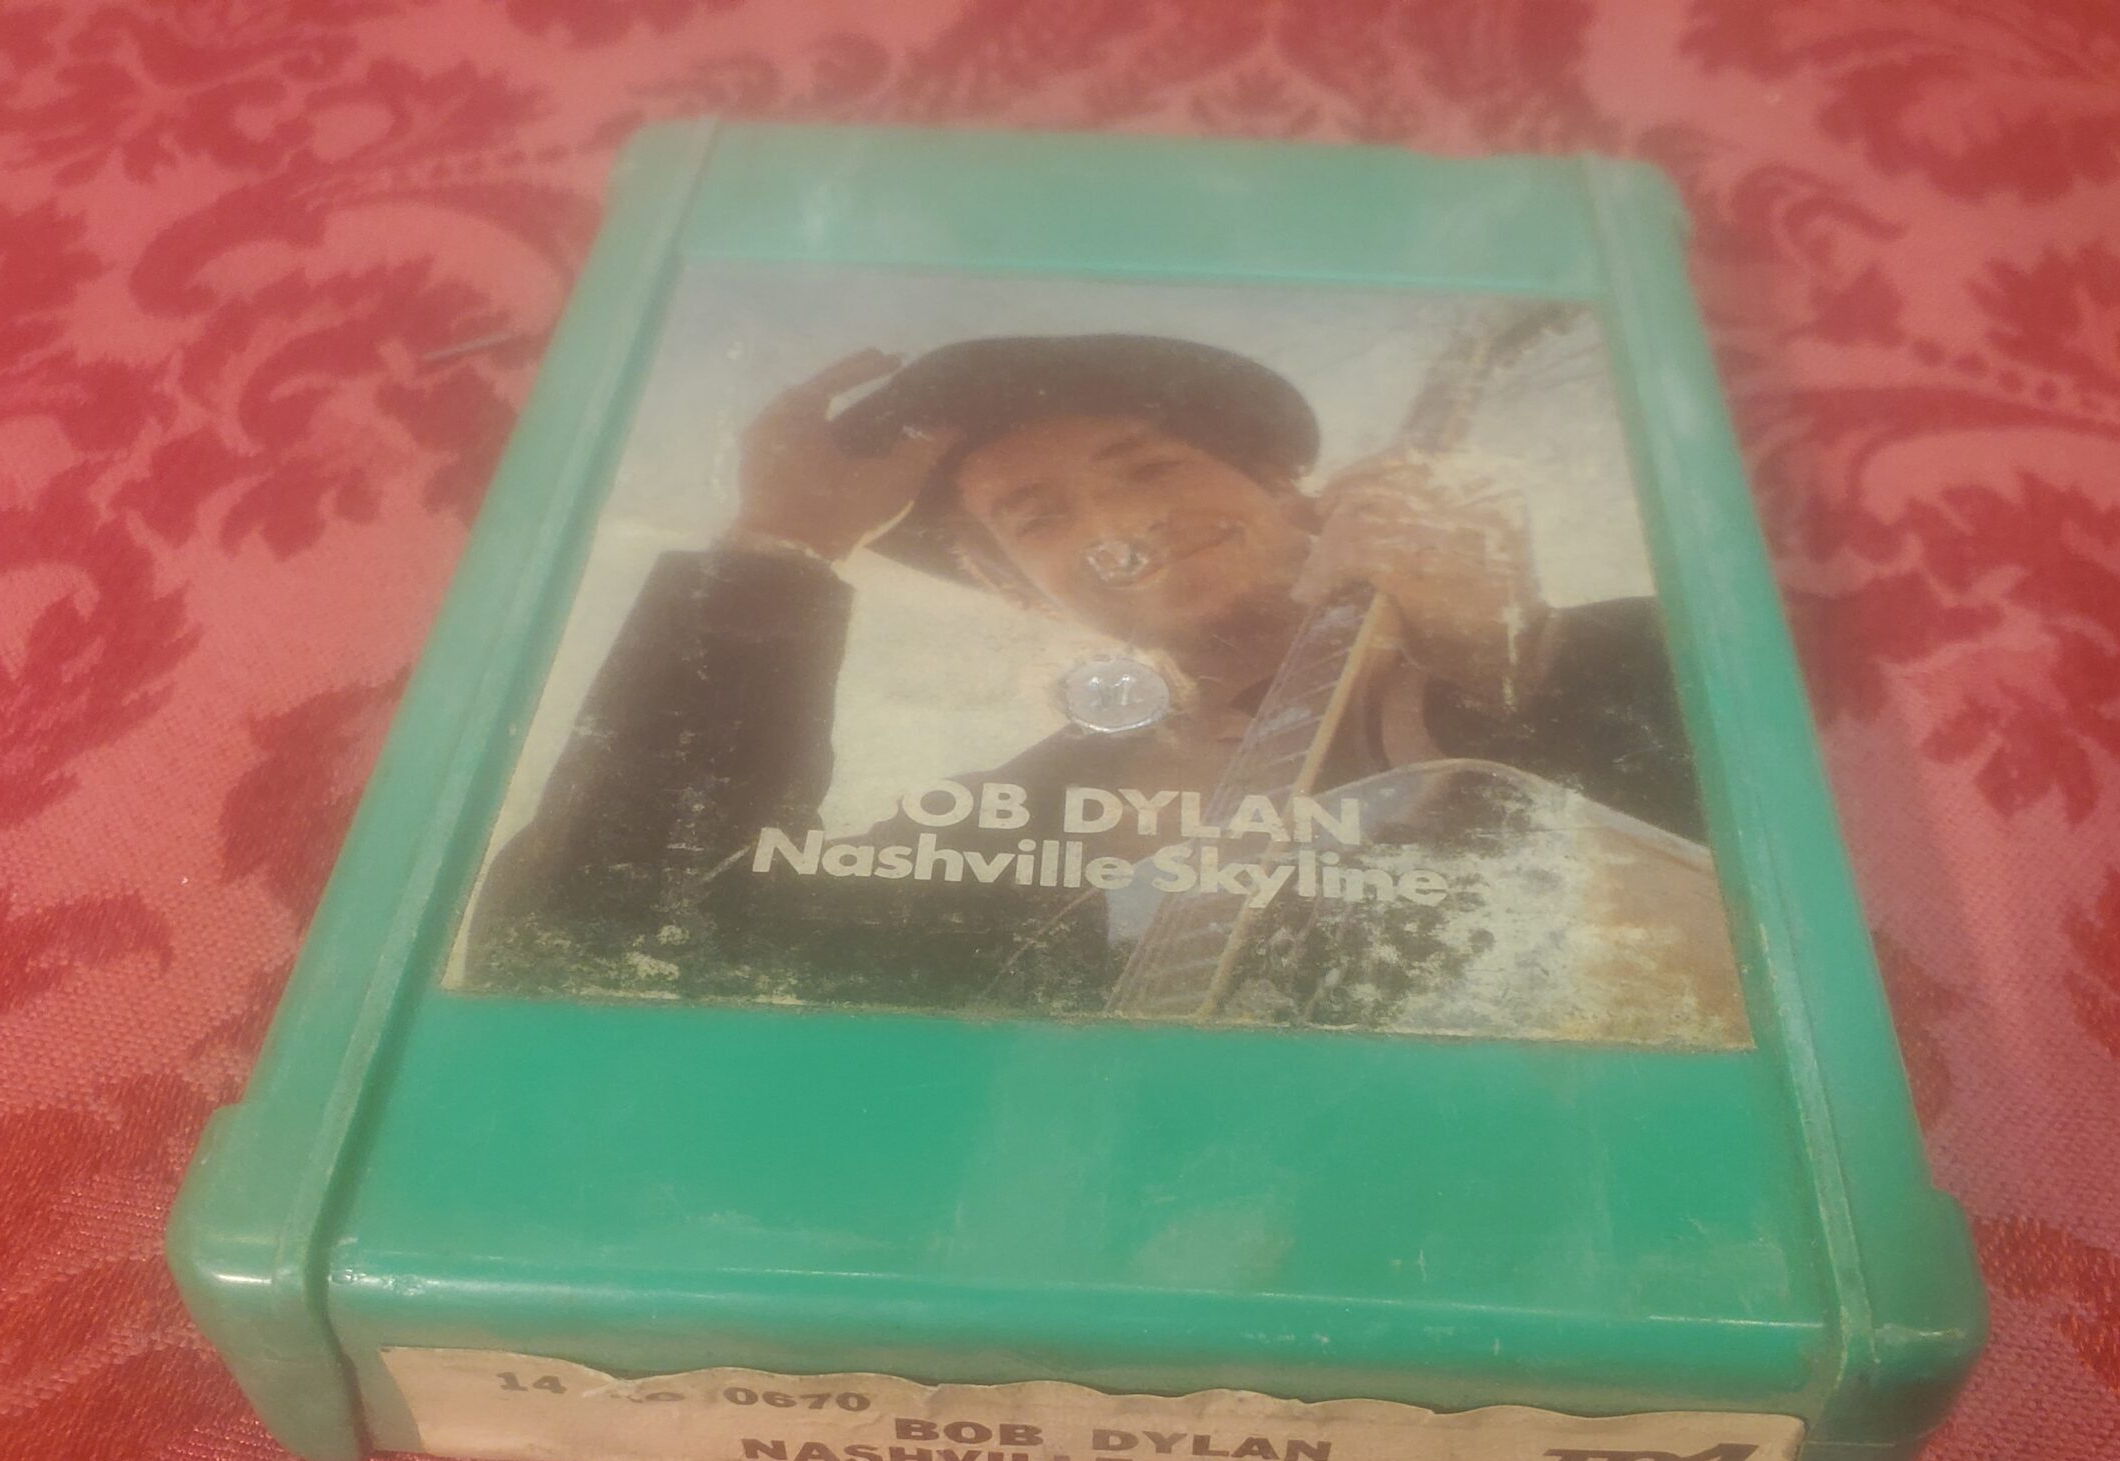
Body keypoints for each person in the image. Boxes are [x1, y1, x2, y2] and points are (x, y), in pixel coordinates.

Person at [464, 333, 1728, 1028]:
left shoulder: (1630, 656)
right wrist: (776, 549)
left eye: (1151, 467)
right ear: (1017, 587)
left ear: (1286, 491)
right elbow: (577, 957)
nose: (1125, 523)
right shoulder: (1000, 834)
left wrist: (1510, 668)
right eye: (1039, 517)